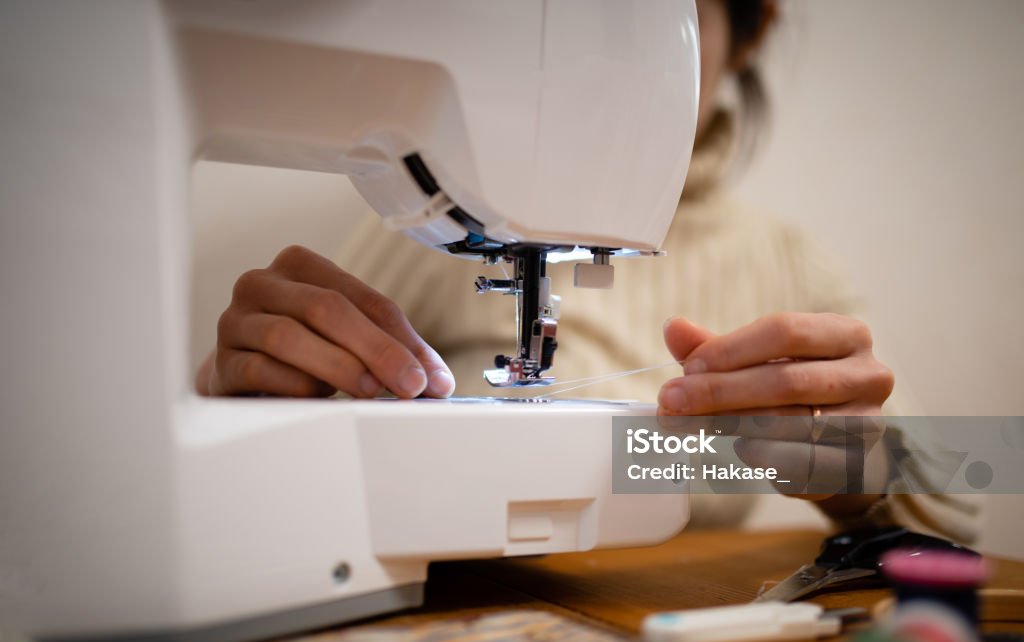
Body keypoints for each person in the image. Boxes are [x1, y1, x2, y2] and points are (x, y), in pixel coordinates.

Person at [196, 0, 976, 542]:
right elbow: (294, 434)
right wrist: (256, 400)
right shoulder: (439, 204)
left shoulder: (782, 263)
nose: (579, 73)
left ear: (745, 36)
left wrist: (864, 473)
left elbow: (966, 503)